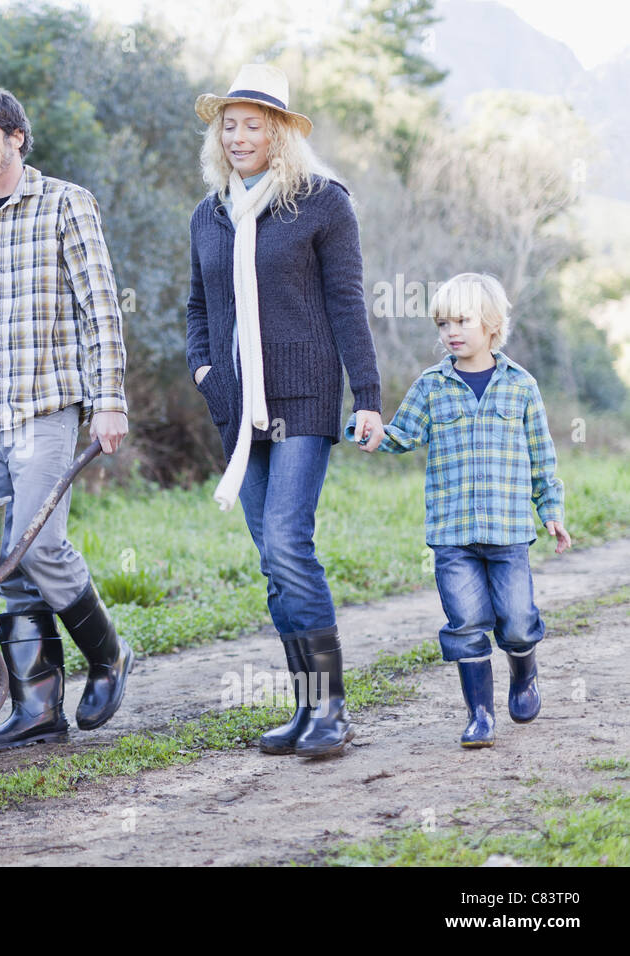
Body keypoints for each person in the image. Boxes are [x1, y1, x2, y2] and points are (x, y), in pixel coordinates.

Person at [186, 64, 384, 758]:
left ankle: (332, 710)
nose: (239, 136)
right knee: (273, 560)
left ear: (280, 134)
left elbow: (346, 304)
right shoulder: (209, 214)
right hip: (237, 404)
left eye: (253, 125)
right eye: (229, 125)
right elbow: (199, 308)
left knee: (290, 547)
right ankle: (306, 711)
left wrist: (367, 396)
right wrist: (206, 371)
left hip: (302, 395)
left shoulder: (323, 204)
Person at [0, 86, 132, 753]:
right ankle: (38, 709)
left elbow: (99, 308)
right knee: (0, 560)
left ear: (17, 137)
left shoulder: (65, 204)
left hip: (47, 407)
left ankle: (109, 657)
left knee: (39, 543)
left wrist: (109, 399)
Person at [348, 273, 570, 747]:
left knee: (516, 621)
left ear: (491, 325)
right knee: (466, 623)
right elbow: (403, 433)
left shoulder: (521, 386)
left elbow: (541, 454)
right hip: (452, 534)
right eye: (444, 322)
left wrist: (550, 509)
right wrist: (374, 435)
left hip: (509, 530)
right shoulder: (432, 385)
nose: (451, 330)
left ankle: (524, 673)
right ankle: (480, 717)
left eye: (463, 320)